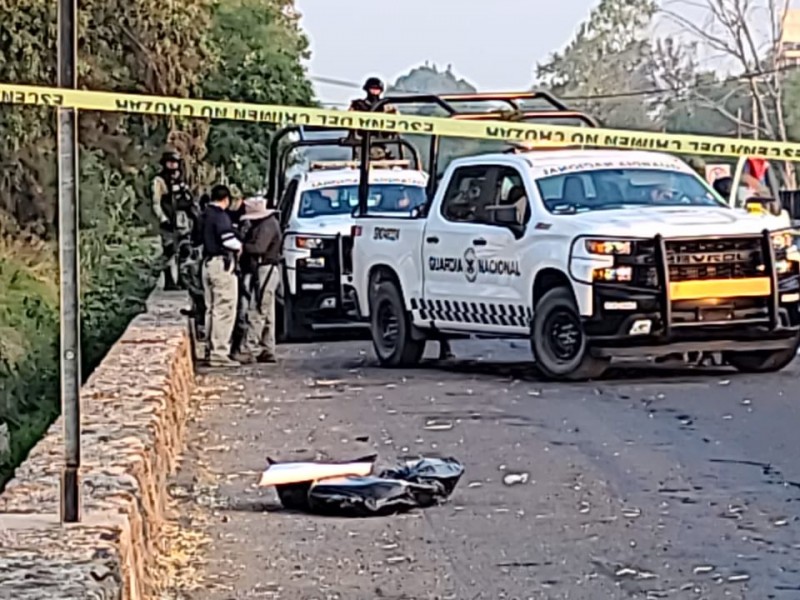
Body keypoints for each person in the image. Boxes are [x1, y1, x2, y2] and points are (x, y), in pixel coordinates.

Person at [233, 196, 282, 364]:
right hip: (265, 269)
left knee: (258, 310)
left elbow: (259, 247)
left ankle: (249, 348)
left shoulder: (267, 226)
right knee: (267, 312)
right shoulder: (266, 224)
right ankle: (267, 348)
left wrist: (242, 247)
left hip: (265, 269)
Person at [201, 184, 242, 367]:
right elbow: (228, 240)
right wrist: (239, 246)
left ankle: (210, 349)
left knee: (211, 309)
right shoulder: (220, 217)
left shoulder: (203, 215)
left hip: (206, 263)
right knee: (224, 309)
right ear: (226, 199)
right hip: (221, 264)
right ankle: (219, 352)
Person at [152, 149, 196, 291]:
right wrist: (163, 218)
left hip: (182, 221)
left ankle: (184, 280)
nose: (173, 165)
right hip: (168, 221)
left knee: (184, 250)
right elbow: (156, 202)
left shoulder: (181, 180)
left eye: (175, 162)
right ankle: (169, 281)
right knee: (169, 251)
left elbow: (189, 199)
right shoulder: (159, 181)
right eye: (170, 162)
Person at [348, 77, 398, 160]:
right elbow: (348, 120)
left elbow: (397, 126)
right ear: (367, 89)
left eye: (377, 88)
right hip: (361, 143)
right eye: (372, 88)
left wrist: (392, 114)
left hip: (381, 144)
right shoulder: (357, 105)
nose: (375, 91)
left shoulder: (387, 106)